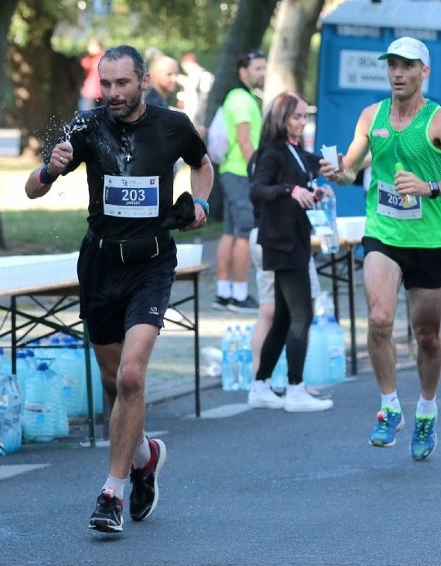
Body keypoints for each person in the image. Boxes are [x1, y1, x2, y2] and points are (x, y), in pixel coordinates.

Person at [23, 45, 212, 533]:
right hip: (101, 264)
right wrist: (50, 167)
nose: (111, 93)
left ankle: (111, 493)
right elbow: (32, 189)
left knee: (131, 377)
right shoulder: (85, 127)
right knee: (113, 384)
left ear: (143, 81)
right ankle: (145, 456)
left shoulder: (173, 125)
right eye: (104, 85)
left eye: (121, 84)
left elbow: (203, 166)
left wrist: (202, 205)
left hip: (150, 264)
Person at [319, 37, 441, 461]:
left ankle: (426, 410)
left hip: (427, 240)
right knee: (378, 319)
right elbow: (353, 167)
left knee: (427, 335)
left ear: (424, 72)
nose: (397, 72)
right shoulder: (371, 116)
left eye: (407, 66)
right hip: (383, 233)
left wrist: (430, 187)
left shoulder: (440, 121)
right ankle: (389, 406)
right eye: (392, 64)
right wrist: (339, 173)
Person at [245, 92, 333, 412]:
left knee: (283, 317)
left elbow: (305, 181)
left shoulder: (295, 151)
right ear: (280, 119)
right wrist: (290, 190)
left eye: (303, 116)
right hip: (282, 242)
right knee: (302, 315)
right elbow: (257, 190)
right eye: (295, 117)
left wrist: (312, 192)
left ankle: (261, 384)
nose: (300, 122)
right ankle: (295, 388)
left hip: (292, 238)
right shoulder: (272, 152)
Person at [212, 50, 267, 314]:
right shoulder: (243, 100)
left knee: (231, 232)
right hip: (241, 173)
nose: (262, 73)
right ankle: (240, 294)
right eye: (257, 68)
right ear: (243, 71)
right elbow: (245, 140)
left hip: (229, 171)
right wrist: (257, 174)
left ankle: (224, 293)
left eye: (263, 68)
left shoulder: (234, 97)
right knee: (244, 233)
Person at [177, 52, 214, 131]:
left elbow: (203, 99)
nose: (186, 71)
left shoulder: (205, 76)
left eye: (185, 67)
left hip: (201, 118)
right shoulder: (199, 76)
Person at [79, 38, 104, 111]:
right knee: (88, 115)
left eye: (93, 46)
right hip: (90, 92)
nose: (90, 48)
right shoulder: (88, 59)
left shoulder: (104, 58)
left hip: (101, 92)